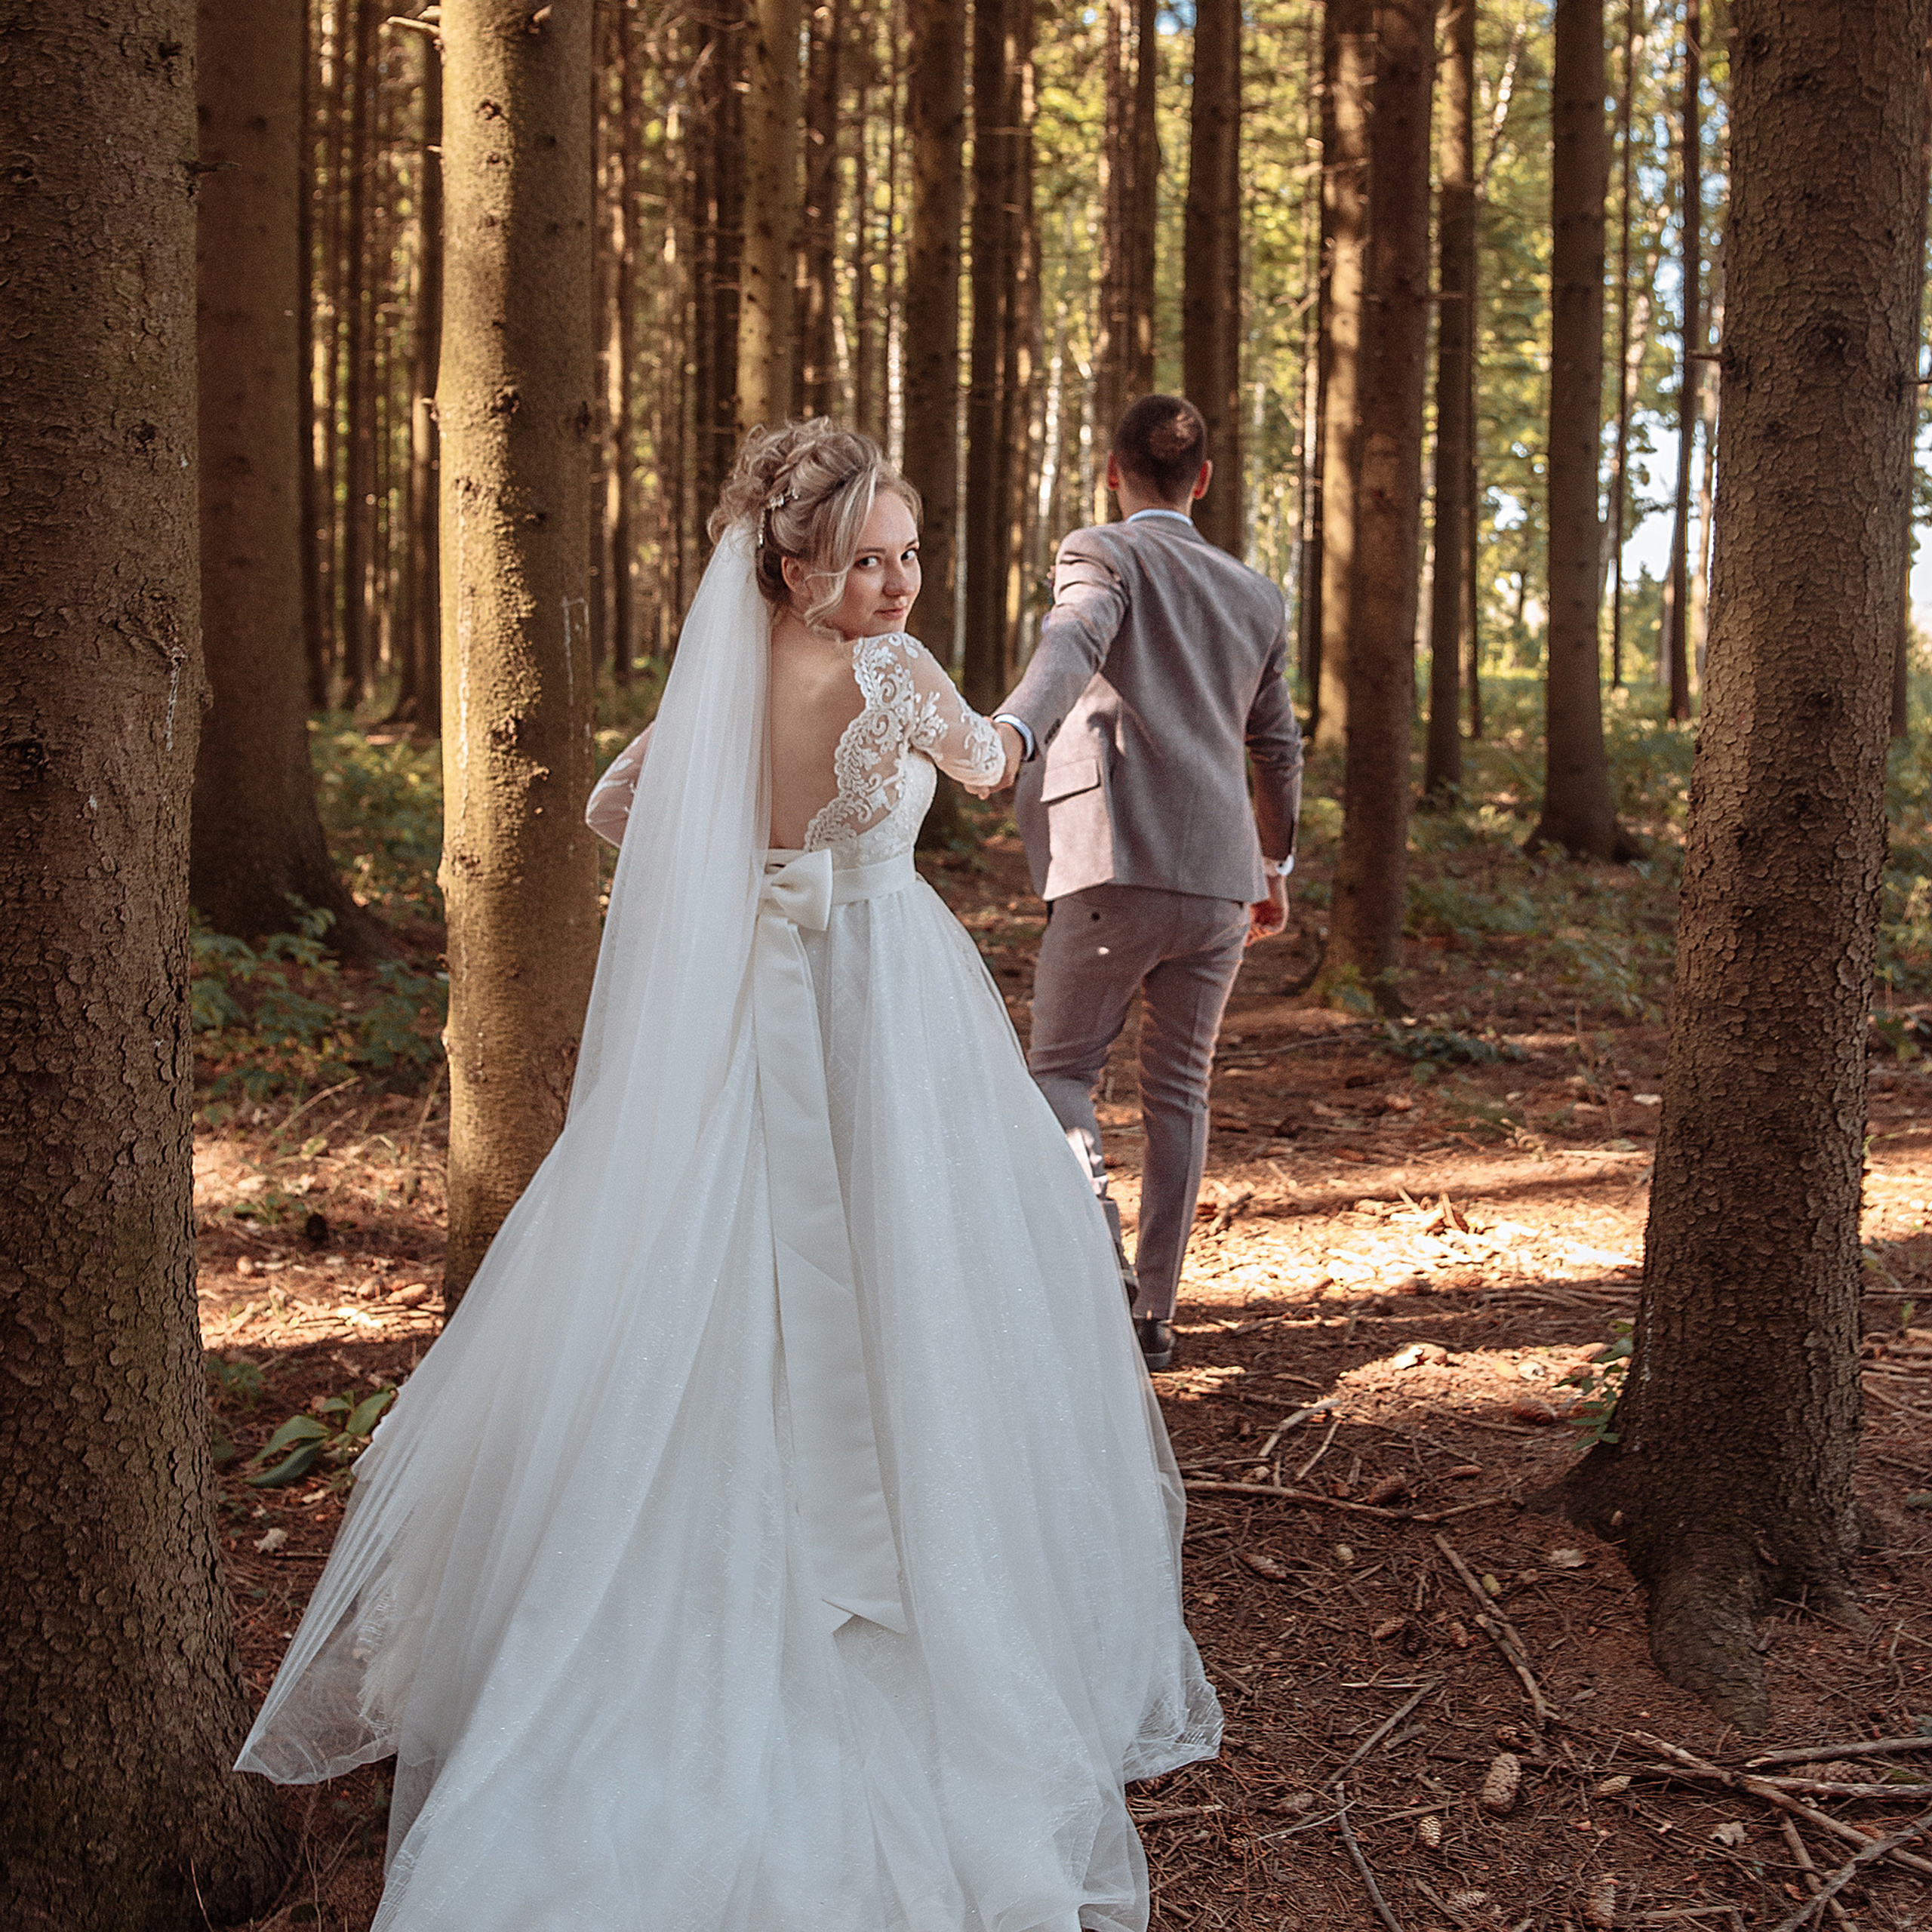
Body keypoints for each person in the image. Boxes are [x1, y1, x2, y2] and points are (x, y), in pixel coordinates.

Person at [235, 420, 1221, 1932]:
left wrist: (740, 881)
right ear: (793, 560)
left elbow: (612, 807)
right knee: (890, 1266)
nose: (897, 585)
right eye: (866, 561)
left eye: (908, 556)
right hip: (876, 1002)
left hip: (752, 1009)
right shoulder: (895, 676)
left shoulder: (717, 677)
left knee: (739, 1269)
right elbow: (984, 766)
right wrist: (1040, 694)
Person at [990, 395, 1303, 1374]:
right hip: (1220, 879)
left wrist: (1014, 732)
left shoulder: (1101, 551)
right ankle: (1154, 1314)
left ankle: (1102, 1268)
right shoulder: (1257, 594)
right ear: (1202, 479)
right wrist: (1275, 864)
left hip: (1112, 858)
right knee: (1180, 1092)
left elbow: (1072, 641)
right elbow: (1277, 745)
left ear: (1111, 471)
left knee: (1060, 1073)